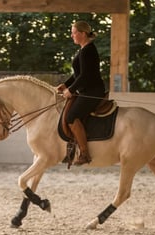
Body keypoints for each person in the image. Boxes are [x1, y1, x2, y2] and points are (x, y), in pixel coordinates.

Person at [56, 21, 106, 165]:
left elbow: (85, 76)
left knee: (71, 117)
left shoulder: (88, 50)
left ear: (83, 33)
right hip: (87, 90)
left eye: (74, 32)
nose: (72, 35)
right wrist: (66, 84)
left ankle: (84, 153)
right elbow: (78, 75)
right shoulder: (84, 49)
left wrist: (70, 90)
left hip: (92, 92)